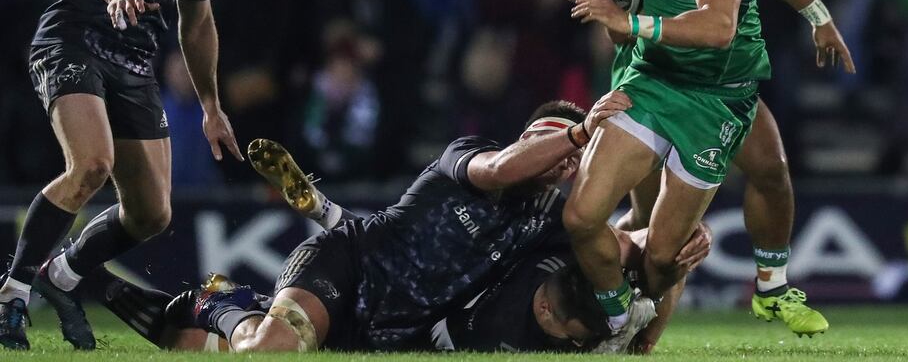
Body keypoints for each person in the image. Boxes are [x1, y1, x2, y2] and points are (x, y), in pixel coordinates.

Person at [84, 96, 710, 353]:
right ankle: (222, 300)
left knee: (193, 350)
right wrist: (576, 132)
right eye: (548, 142)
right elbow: (498, 170)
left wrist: (679, 242)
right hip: (348, 263)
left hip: (396, 331)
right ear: (528, 138)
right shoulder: (467, 159)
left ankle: (195, 320)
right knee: (271, 352)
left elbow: (623, 239)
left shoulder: (550, 222)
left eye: (570, 160)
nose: (560, 161)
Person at [560, 0, 851, 351]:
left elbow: (719, 26)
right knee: (581, 217)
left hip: (718, 97)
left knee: (675, 249)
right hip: (649, 80)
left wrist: (818, 16)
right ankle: (619, 316)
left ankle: (769, 284)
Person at [0, 0, 244, 351]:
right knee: (91, 164)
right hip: (76, 38)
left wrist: (210, 105)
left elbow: (198, 23)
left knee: (153, 212)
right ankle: (11, 294)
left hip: (133, 65)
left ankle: (61, 277)